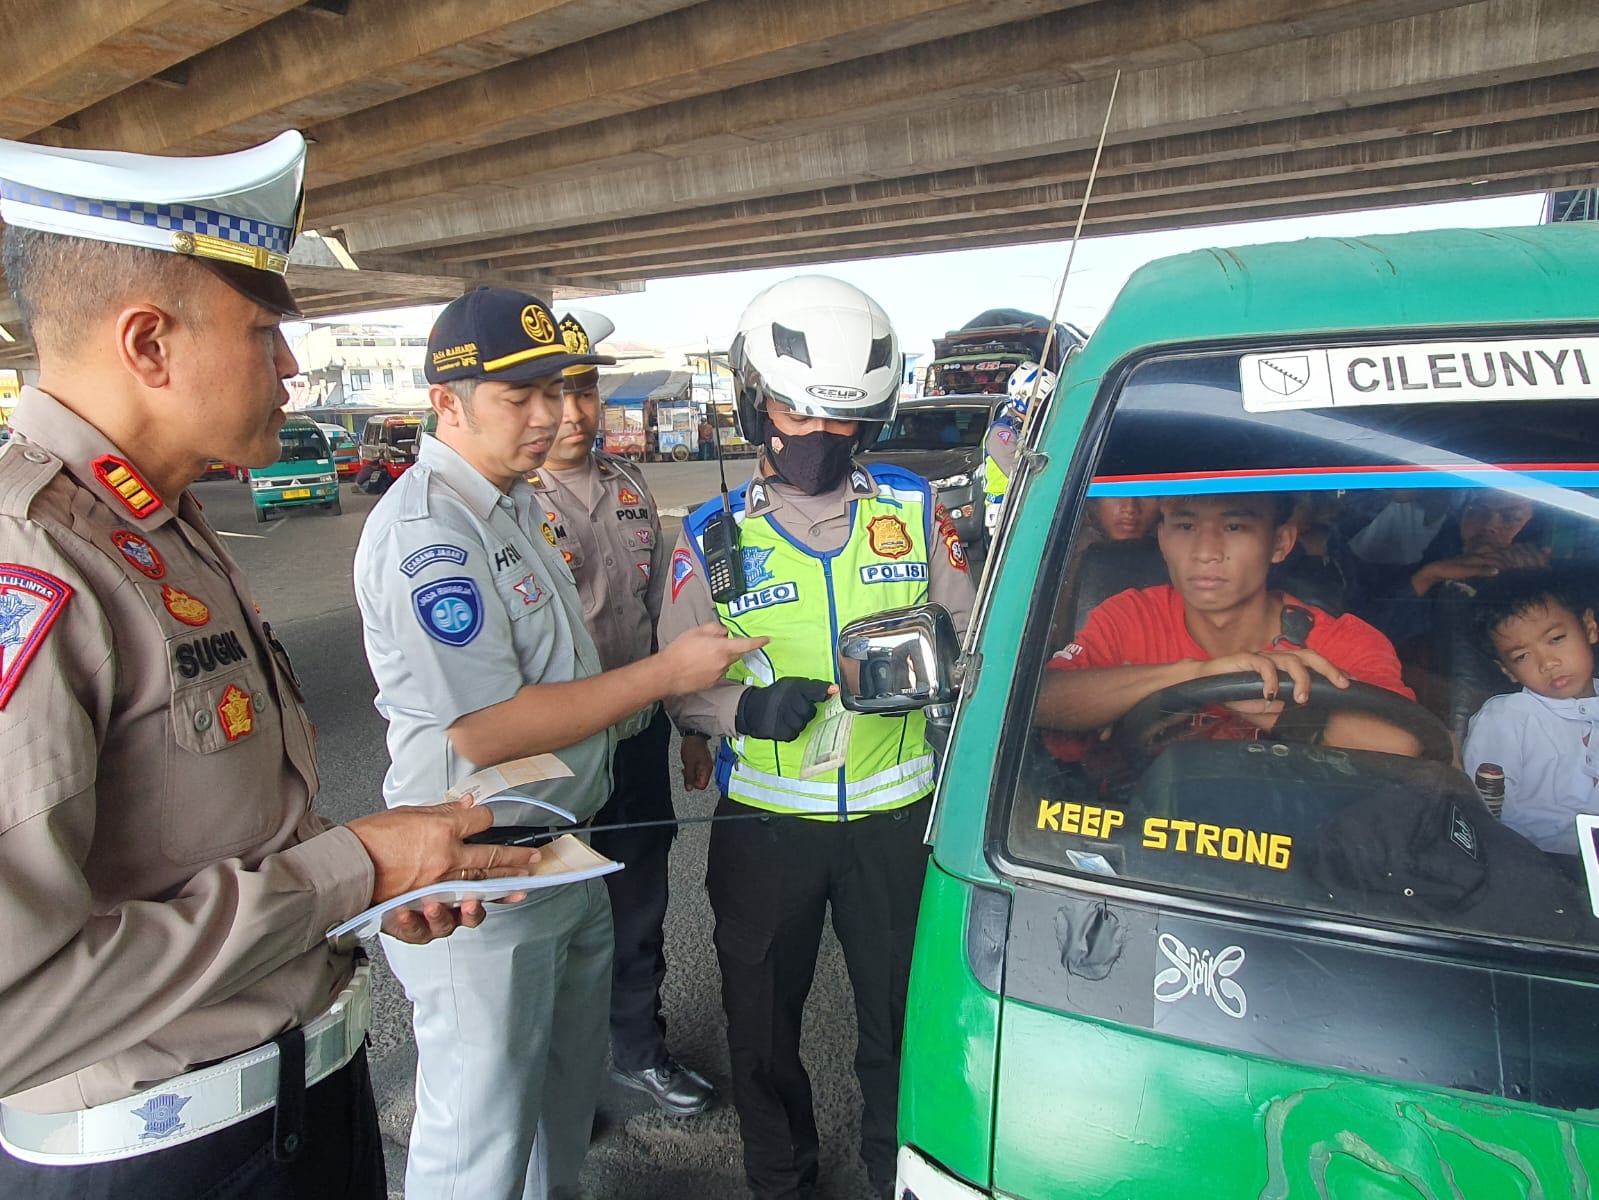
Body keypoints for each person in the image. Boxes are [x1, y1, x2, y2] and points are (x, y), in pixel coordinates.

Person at [0, 132, 538, 1199]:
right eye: (264, 331)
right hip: (165, 1159)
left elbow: (199, 853)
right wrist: (356, 869)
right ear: (149, 343)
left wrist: (364, 897)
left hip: (296, 1110)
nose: (292, 366)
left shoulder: (159, 527)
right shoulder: (37, 559)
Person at [353, 286, 762, 1200]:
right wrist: (667, 676)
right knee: (479, 1136)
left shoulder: (506, 505)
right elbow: (489, 724)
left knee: (558, 1112)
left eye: (556, 391)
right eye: (518, 399)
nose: (548, 418)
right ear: (444, 405)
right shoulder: (431, 532)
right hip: (479, 873)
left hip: (559, 850)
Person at [657, 276, 976, 1200]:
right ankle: (781, 1180)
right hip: (762, 826)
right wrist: (736, 712)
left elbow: (970, 640)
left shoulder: (913, 512)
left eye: (840, 423)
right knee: (759, 1029)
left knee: (902, 1024)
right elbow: (676, 677)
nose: (816, 439)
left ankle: (895, 1173)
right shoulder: (713, 535)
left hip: (897, 819)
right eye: (797, 412)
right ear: (757, 401)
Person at [529, 330, 716, 1117]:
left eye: (584, 392)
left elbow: (662, 621)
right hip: (553, 752)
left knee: (637, 901)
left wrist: (692, 726)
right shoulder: (506, 502)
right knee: (550, 916)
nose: (573, 412)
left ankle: (637, 1052)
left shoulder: (630, 484)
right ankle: (556, 1086)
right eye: (553, 394)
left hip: (635, 740)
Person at [1036, 492, 1420, 758]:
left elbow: (1403, 746)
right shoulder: (1129, 617)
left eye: (1234, 527)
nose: (1205, 553)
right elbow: (1045, 701)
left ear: (1281, 543)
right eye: (1185, 527)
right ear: (1163, 540)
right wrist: (1195, 676)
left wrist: (1260, 699)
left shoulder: (1343, 644)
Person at [1464, 571, 1599, 856]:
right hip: (1537, 859)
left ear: (1589, 627)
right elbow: (1486, 813)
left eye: (1556, 639)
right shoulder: (1507, 718)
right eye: (1522, 656)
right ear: (1506, 670)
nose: (1547, 663)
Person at [982, 360, 1055, 540]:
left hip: (1023, 507)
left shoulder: (1030, 427)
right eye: (1038, 401)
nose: (1043, 407)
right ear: (1022, 400)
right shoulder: (1002, 432)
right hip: (1005, 511)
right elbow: (1020, 471)